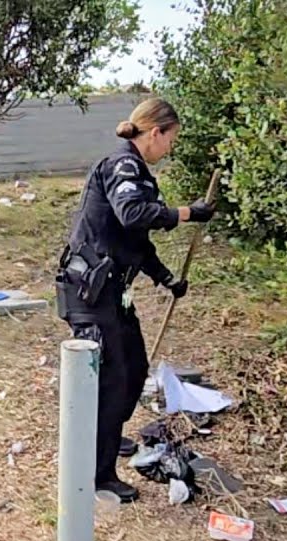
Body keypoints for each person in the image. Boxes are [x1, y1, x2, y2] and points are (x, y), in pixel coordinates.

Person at [53, 98, 214, 503]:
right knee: (109, 382)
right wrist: (186, 214)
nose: (170, 149)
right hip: (90, 294)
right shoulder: (122, 165)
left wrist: (166, 279)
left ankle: (108, 436)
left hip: (114, 293)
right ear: (155, 132)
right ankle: (98, 475)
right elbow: (134, 214)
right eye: (170, 140)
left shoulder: (138, 171)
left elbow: (135, 242)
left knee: (134, 368)